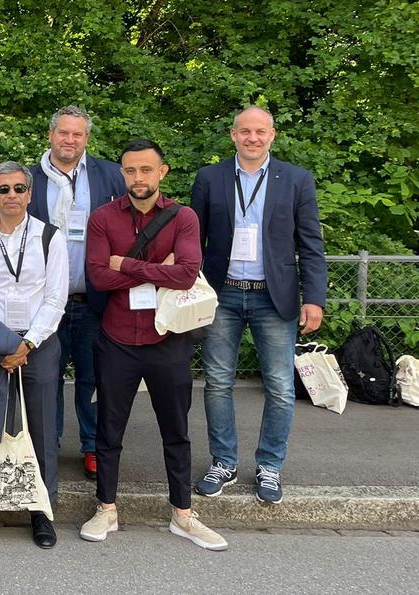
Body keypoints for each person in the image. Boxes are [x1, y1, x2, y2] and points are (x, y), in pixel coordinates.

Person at [80, 140, 227, 551]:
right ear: (122, 174)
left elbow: (186, 274)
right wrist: (157, 270)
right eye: (130, 170)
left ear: (162, 172)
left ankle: (182, 513)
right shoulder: (102, 218)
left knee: (176, 430)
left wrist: (124, 263)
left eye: (146, 169)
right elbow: (98, 277)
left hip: (167, 339)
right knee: (109, 430)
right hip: (116, 339)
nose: (138, 177)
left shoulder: (183, 217)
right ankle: (106, 508)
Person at [191, 106, 327, 504]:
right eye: (245, 131)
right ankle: (224, 462)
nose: (253, 137)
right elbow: (193, 240)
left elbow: (311, 245)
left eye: (260, 131)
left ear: (272, 135)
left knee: (281, 386)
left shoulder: (296, 180)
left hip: (274, 295)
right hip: (223, 294)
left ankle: (270, 466)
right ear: (233, 135)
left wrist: (314, 298)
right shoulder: (210, 178)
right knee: (218, 382)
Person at [0, 161, 67, 547]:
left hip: (39, 345)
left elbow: (55, 299)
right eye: (3, 189)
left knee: (40, 428)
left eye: (19, 188)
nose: (12, 196)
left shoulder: (49, 237)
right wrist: (0, 344)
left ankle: (42, 511)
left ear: (30, 194)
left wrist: (27, 344)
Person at [28, 105, 125, 481]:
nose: (70, 140)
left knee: (93, 378)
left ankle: (93, 446)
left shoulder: (110, 175)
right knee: (45, 379)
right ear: (50, 135)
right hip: (43, 302)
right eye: (63, 132)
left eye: (77, 134)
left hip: (93, 298)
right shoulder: (29, 178)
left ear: (87, 138)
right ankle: (45, 446)